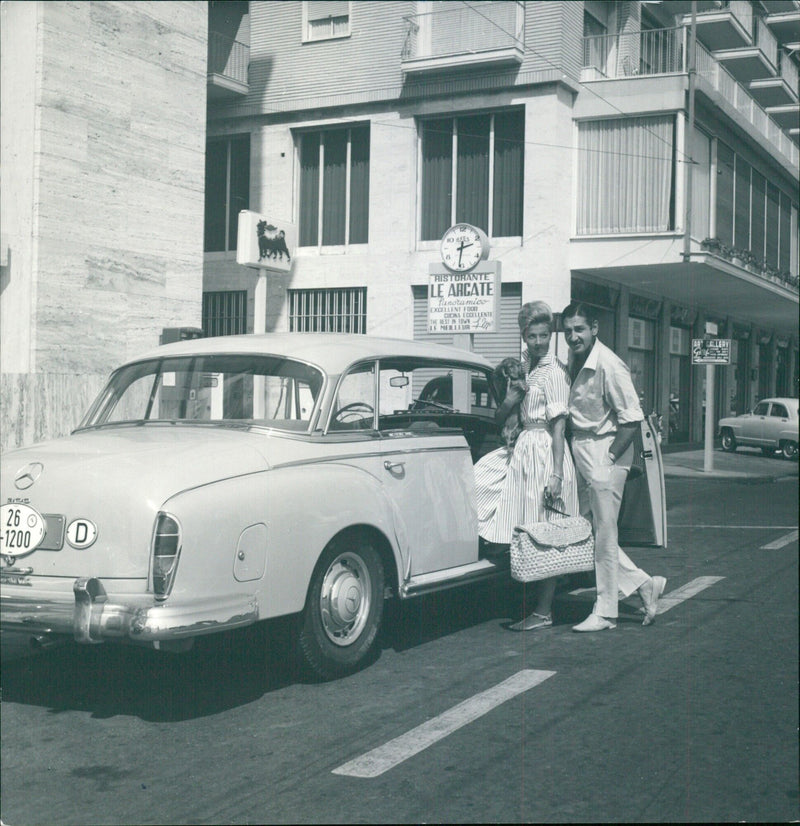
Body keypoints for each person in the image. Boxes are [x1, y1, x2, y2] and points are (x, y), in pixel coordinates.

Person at [561, 302, 667, 632]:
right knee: (589, 530)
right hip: (581, 449)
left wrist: (608, 459)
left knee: (604, 534)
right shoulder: (573, 359)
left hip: (604, 450)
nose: (573, 336)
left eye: (579, 329)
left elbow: (632, 418)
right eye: (568, 331)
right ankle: (643, 584)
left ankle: (606, 611)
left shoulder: (609, 364)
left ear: (594, 328)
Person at [475, 301, 579, 632]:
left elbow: (560, 427)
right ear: (523, 336)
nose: (538, 342)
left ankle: (544, 611)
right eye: (532, 335)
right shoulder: (522, 369)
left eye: (544, 335)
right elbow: (500, 418)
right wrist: (511, 397)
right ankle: (530, 600)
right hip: (522, 452)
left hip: (546, 451)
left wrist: (557, 473)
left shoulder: (555, 371)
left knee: (545, 529)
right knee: (482, 485)